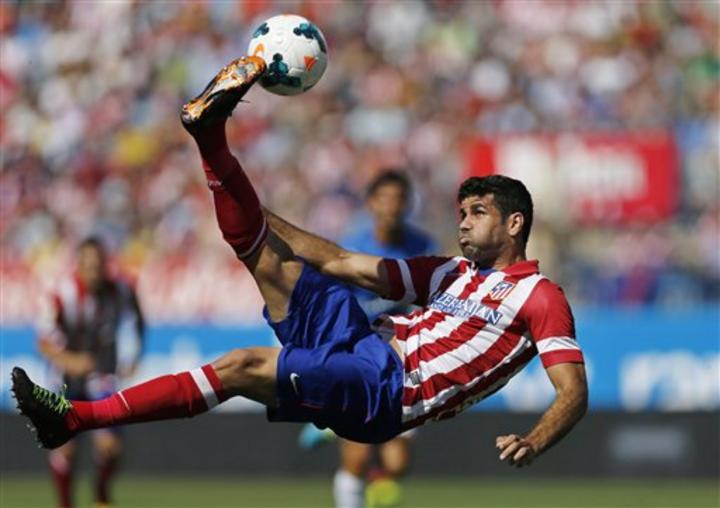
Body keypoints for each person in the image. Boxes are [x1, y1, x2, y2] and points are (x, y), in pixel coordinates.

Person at [12, 57, 587, 476]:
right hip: (362, 336)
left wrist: (535, 440)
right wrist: (249, 205)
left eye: (478, 213)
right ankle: (211, 142)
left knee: (239, 366)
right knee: (265, 255)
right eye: (461, 213)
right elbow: (339, 260)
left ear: (515, 224)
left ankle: (75, 419)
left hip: (387, 390)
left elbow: (572, 392)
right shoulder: (448, 273)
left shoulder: (540, 296)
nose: (463, 223)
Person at [298, 170, 436, 508]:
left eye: (399, 199)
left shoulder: (423, 247)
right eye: (384, 198)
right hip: (359, 356)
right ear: (371, 203)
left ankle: (330, 425)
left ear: (408, 204)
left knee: (397, 464)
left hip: (402, 360)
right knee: (357, 458)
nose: (392, 206)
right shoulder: (352, 247)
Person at [35, 237, 145, 508]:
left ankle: (101, 496)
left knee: (110, 446)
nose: (94, 272)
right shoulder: (62, 294)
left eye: (98, 266)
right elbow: (43, 342)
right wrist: (69, 360)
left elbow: (138, 320)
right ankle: (65, 503)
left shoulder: (120, 290)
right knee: (65, 447)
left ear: (106, 265)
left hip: (101, 372)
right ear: (79, 266)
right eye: (88, 266)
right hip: (63, 376)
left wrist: (135, 354)